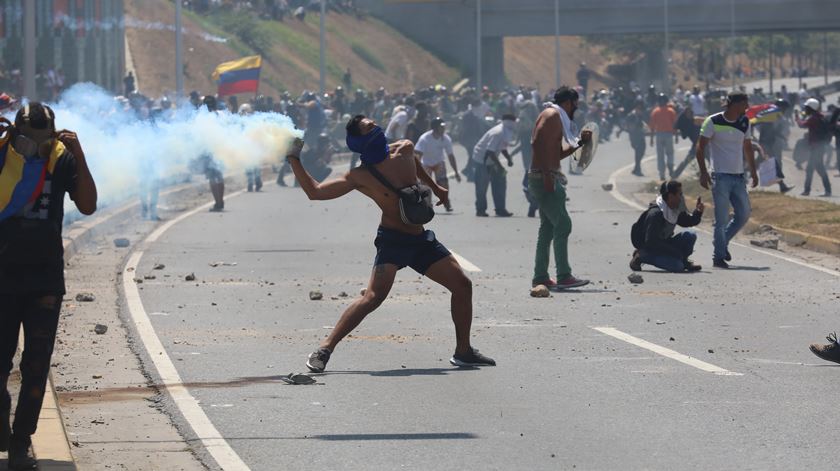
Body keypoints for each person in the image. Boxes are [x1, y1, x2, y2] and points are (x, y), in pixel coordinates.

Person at [287, 115, 496, 372]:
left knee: (462, 285)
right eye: (369, 129)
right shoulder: (360, 176)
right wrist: (294, 159)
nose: (376, 129)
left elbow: (415, 164)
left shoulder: (405, 148)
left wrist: (436, 187)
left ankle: (463, 351)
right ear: (359, 142)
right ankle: (325, 348)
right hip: (393, 241)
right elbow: (315, 192)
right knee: (373, 297)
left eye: (375, 125)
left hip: (419, 239)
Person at [0, 103, 97, 469]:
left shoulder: (61, 162)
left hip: (44, 280)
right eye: (28, 140)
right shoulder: (2, 158)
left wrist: (79, 154)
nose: (34, 148)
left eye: (43, 142)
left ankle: (21, 440)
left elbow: (88, 205)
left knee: (36, 367)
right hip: (2, 278)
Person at [528, 86, 591, 290]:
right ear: (567, 103)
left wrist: (580, 143)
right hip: (544, 177)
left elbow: (555, 154)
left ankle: (540, 276)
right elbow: (537, 142)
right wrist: (547, 174)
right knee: (563, 224)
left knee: (548, 227)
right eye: (575, 105)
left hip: (545, 175)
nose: (576, 109)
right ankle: (564, 275)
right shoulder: (553, 115)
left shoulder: (555, 116)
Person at [696, 91, 758, 269]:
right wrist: (703, 172)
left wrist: (753, 172)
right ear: (734, 104)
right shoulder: (713, 121)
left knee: (744, 214)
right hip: (720, 176)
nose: (747, 107)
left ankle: (721, 244)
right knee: (721, 219)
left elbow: (747, 148)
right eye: (744, 104)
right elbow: (700, 147)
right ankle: (718, 257)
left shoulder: (744, 122)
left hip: (739, 176)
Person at [629, 181, 704, 273]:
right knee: (677, 266)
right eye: (679, 194)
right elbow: (651, 241)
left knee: (690, 235)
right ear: (671, 196)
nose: (681, 197)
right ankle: (641, 256)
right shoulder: (656, 214)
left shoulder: (675, 207)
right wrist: (675, 252)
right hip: (651, 248)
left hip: (665, 242)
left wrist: (698, 212)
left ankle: (684, 261)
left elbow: (686, 221)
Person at [472, 114, 516, 217]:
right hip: (481, 160)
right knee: (482, 186)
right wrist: (500, 166)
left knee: (500, 182)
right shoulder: (498, 132)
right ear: (508, 122)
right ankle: (481, 210)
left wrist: (508, 158)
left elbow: (502, 147)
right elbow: (490, 152)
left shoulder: (506, 131)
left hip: (491, 160)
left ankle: (500, 209)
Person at [414, 117, 461, 212]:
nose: (444, 129)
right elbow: (418, 155)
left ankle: (446, 202)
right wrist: (417, 171)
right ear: (435, 128)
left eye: (444, 127)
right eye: (441, 127)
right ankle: (427, 206)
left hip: (439, 163)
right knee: (426, 186)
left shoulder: (446, 138)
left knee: (443, 184)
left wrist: (456, 172)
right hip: (426, 164)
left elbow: (450, 156)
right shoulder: (424, 138)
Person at [756, 99, 794, 193]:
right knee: (774, 164)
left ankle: (743, 174)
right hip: (767, 143)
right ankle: (782, 186)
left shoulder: (772, 115)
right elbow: (773, 130)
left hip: (767, 142)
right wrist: (782, 136)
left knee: (759, 162)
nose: (785, 110)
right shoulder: (773, 116)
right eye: (784, 108)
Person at [796, 98, 832, 197]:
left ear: (811, 108)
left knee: (810, 169)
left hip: (817, 147)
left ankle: (807, 190)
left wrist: (797, 118)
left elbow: (802, 125)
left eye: (807, 107)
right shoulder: (819, 117)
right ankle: (827, 190)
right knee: (819, 168)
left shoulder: (813, 118)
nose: (805, 109)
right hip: (820, 146)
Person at [649, 93, 678, 180]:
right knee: (670, 153)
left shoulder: (655, 111)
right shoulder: (671, 111)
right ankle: (670, 165)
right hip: (669, 134)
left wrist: (651, 139)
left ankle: (662, 174)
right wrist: (676, 136)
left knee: (660, 155)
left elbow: (652, 127)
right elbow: (675, 125)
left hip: (659, 135)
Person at [672, 106, 701, 178]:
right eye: (688, 113)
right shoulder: (686, 123)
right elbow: (676, 127)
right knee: (687, 160)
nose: (690, 115)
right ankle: (675, 176)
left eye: (690, 113)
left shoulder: (694, 120)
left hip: (704, 143)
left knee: (711, 160)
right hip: (697, 145)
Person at [625, 101, 648, 177]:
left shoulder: (639, 116)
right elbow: (630, 127)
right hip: (635, 137)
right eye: (640, 109)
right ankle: (637, 169)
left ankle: (636, 168)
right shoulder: (632, 115)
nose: (641, 111)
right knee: (638, 152)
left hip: (640, 136)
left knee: (641, 151)